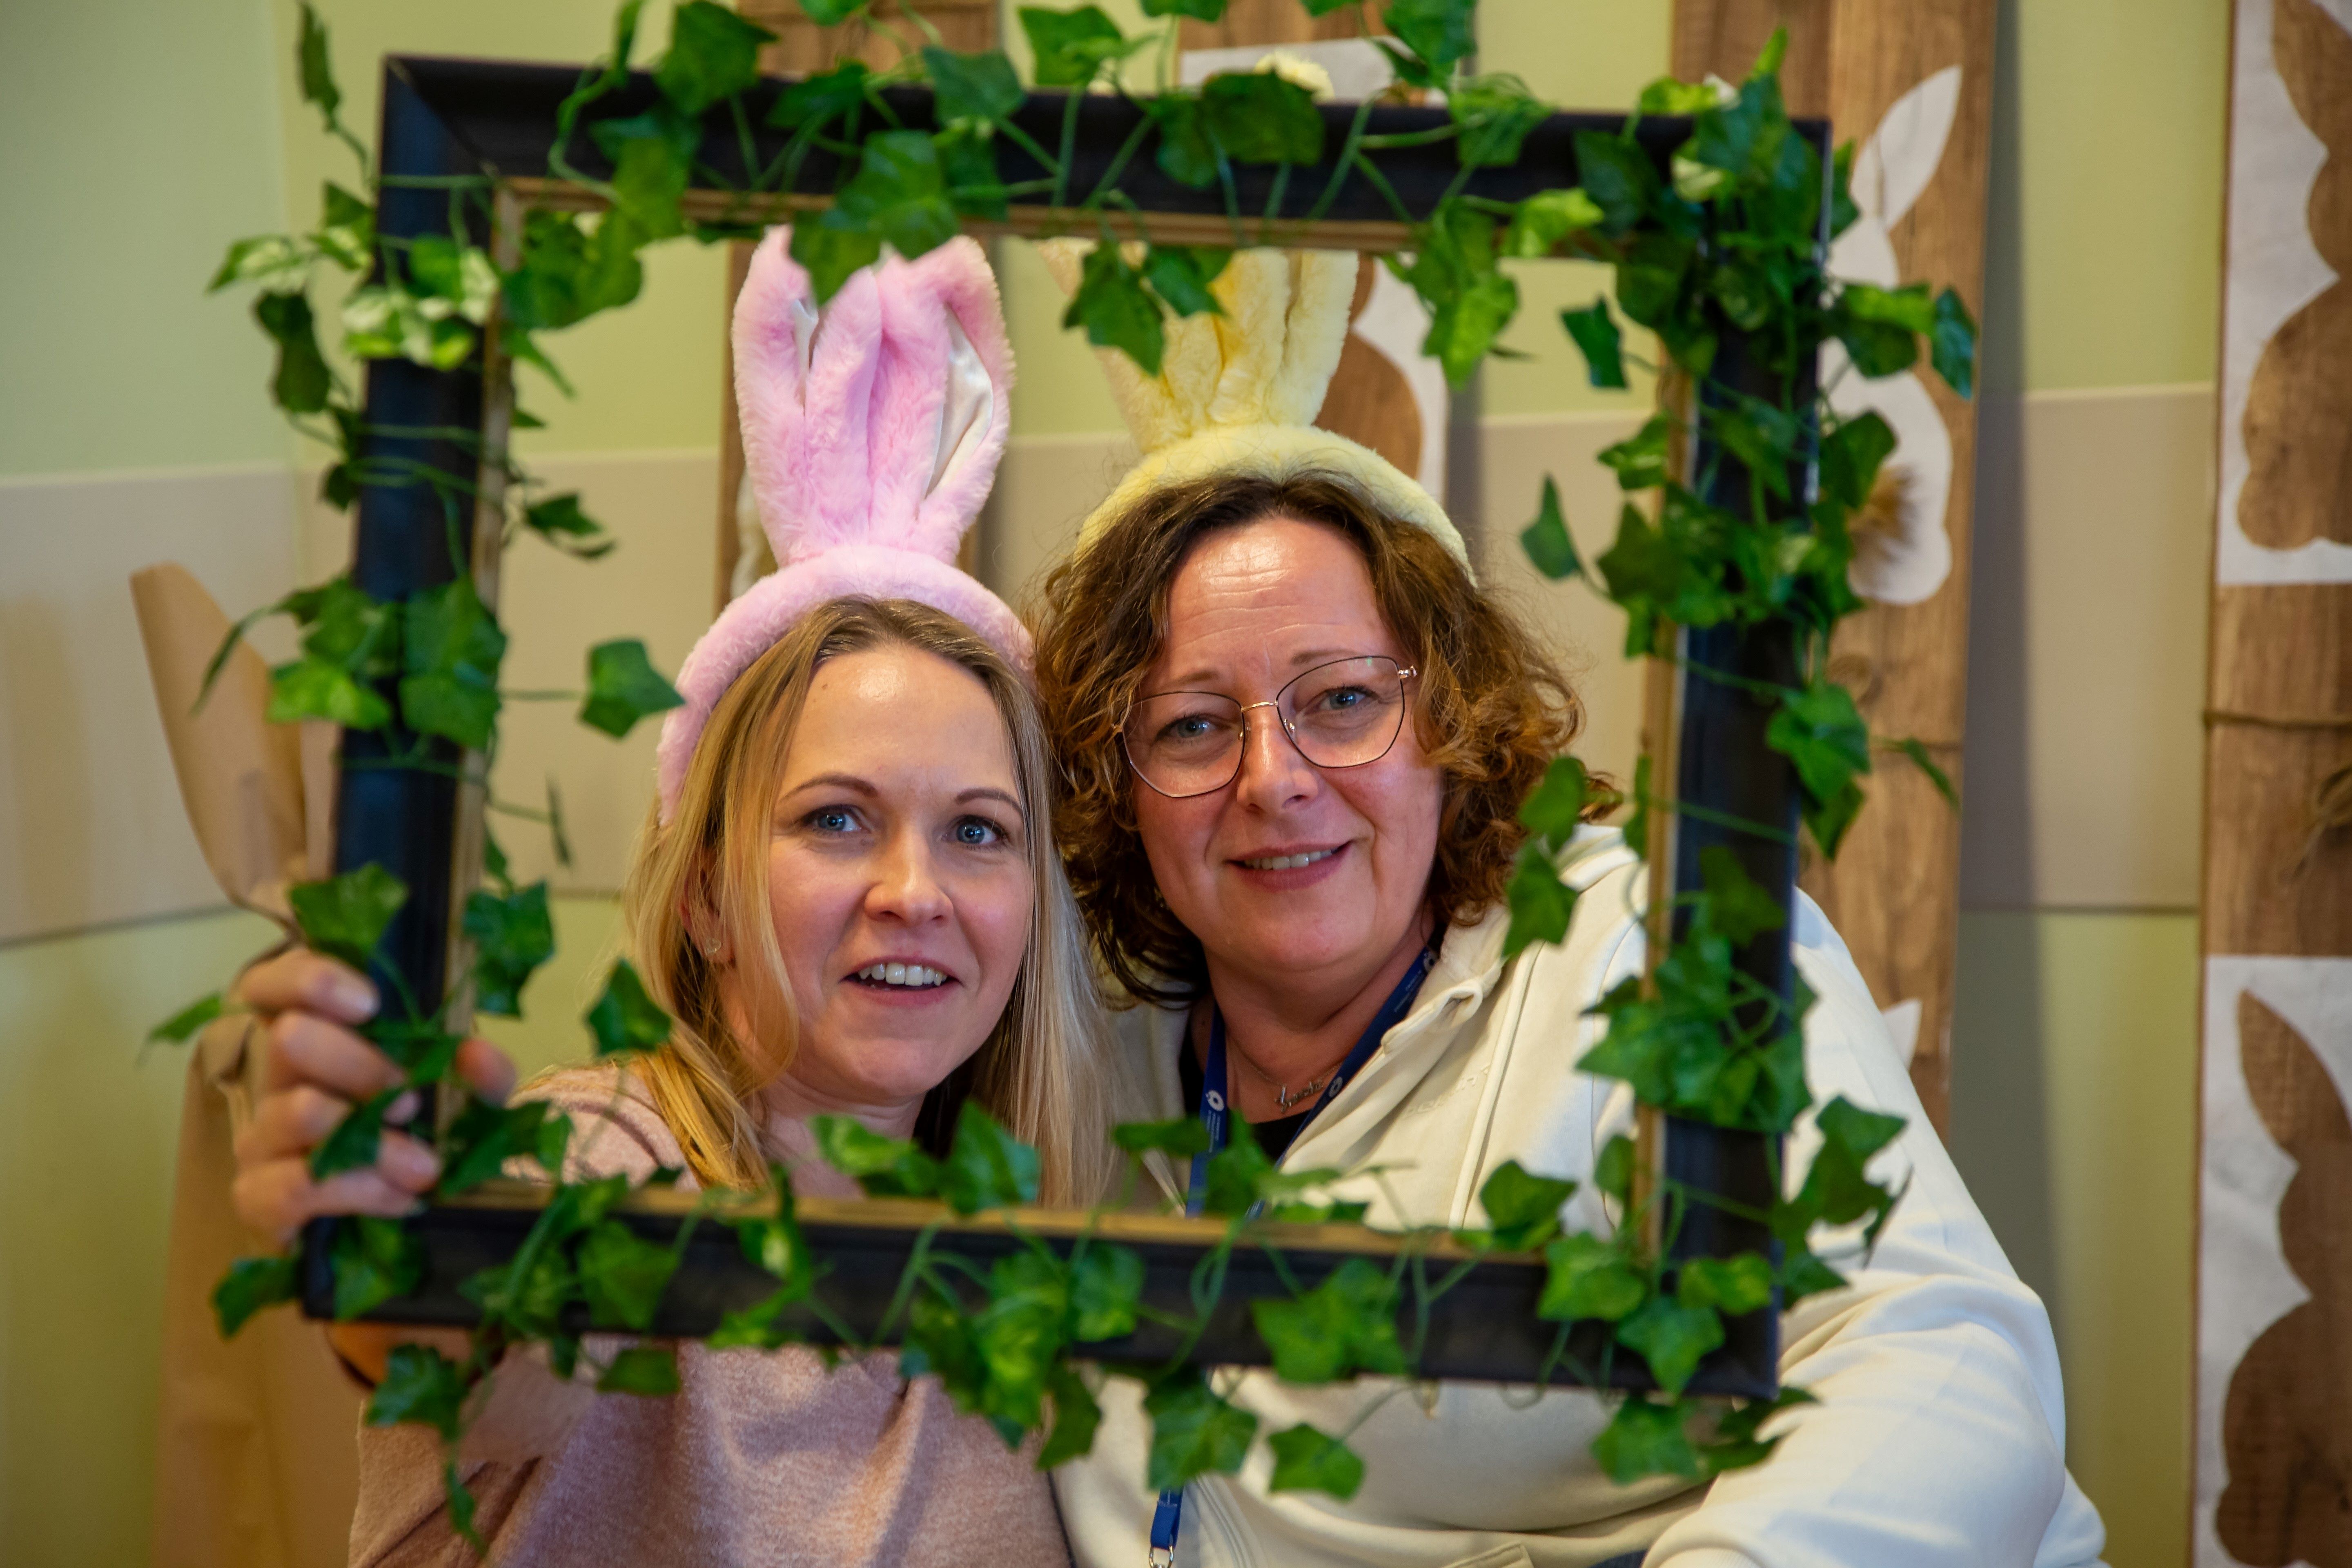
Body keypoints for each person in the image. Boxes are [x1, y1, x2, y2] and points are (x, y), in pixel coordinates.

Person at [1027, 245, 2109, 1567]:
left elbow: (1933, 1359)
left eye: (1344, 701)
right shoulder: (1073, 1053)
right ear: (1114, 785)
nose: (1275, 781)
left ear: (1453, 723)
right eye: (1193, 726)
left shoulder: (1648, 958)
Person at [229, 232, 1108, 1566]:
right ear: (702, 896)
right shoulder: (616, 1160)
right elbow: (482, 1335)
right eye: (836, 819)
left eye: (978, 831)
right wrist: (399, 1238)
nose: (915, 891)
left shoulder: (1027, 1253)